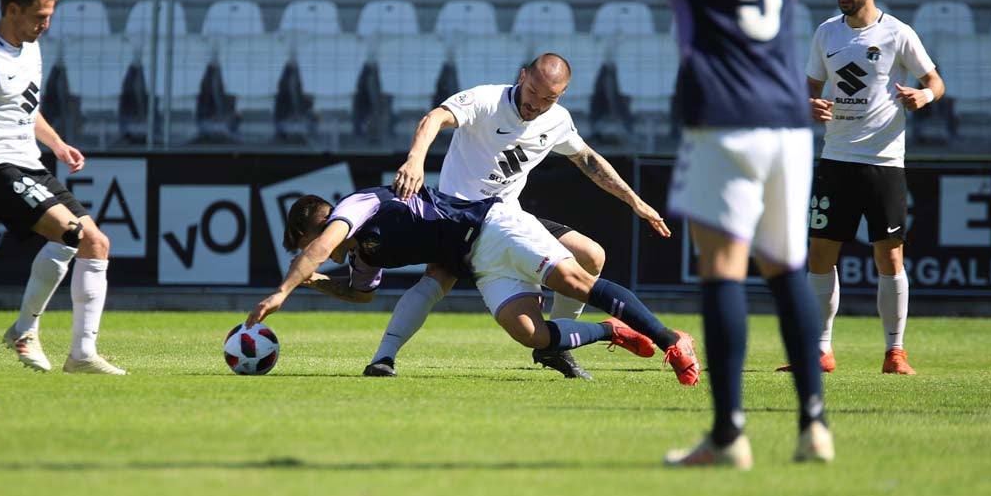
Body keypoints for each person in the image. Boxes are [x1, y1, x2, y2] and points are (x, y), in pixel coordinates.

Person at [452, 0, 940, 468]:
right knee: (787, 270)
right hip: (788, 124)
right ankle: (814, 423)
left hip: (721, 119)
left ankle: (729, 434)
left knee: (723, 274)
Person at [365, 52, 674, 381]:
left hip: (509, 219)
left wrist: (634, 201)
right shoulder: (486, 99)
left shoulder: (557, 120)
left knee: (591, 256)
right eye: (533, 92)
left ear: (562, 94)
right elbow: (434, 118)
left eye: (549, 98)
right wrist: (415, 160)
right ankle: (384, 358)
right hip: (455, 215)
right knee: (436, 281)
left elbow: (588, 160)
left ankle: (554, 346)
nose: (537, 104)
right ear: (522, 76)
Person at [245, 186, 699, 389]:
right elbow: (361, 293)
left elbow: (321, 248)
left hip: (491, 226)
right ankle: (613, 330)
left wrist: (285, 289)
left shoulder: (357, 205)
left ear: (316, 227)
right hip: (473, 258)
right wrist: (320, 283)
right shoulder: (363, 254)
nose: (305, 251)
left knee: (577, 279)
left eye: (300, 243)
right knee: (531, 335)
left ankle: (669, 340)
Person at [0, 0, 126, 375]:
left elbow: (26, 109)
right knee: (72, 235)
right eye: (40, 16)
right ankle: (25, 330)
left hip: (30, 164)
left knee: (96, 243)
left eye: (49, 16)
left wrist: (56, 144)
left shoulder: (30, 49)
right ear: (12, 10)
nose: (46, 24)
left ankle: (81, 355)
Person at [786, 0, 944, 378]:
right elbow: (810, 88)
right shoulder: (826, 34)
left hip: (884, 162)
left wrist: (923, 96)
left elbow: (934, 81)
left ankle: (895, 353)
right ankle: (819, 351)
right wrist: (809, 106)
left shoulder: (897, 33)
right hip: (835, 158)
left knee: (889, 259)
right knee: (820, 255)